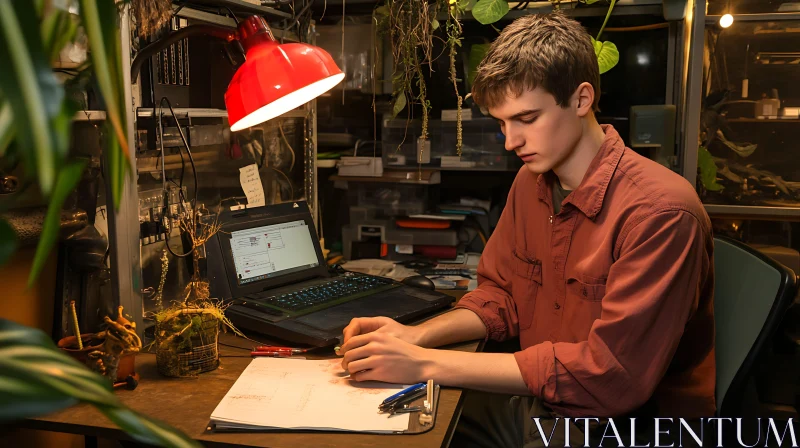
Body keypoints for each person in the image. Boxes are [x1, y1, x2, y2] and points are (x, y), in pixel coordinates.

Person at [336, 12, 715, 446]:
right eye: (501, 122)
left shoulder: (660, 213)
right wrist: (415, 336)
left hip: (624, 426)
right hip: (542, 401)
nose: (510, 140)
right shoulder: (532, 180)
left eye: (527, 118)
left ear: (581, 99)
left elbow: (609, 377)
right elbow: (502, 295)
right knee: (389, 432)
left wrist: (422, 363)